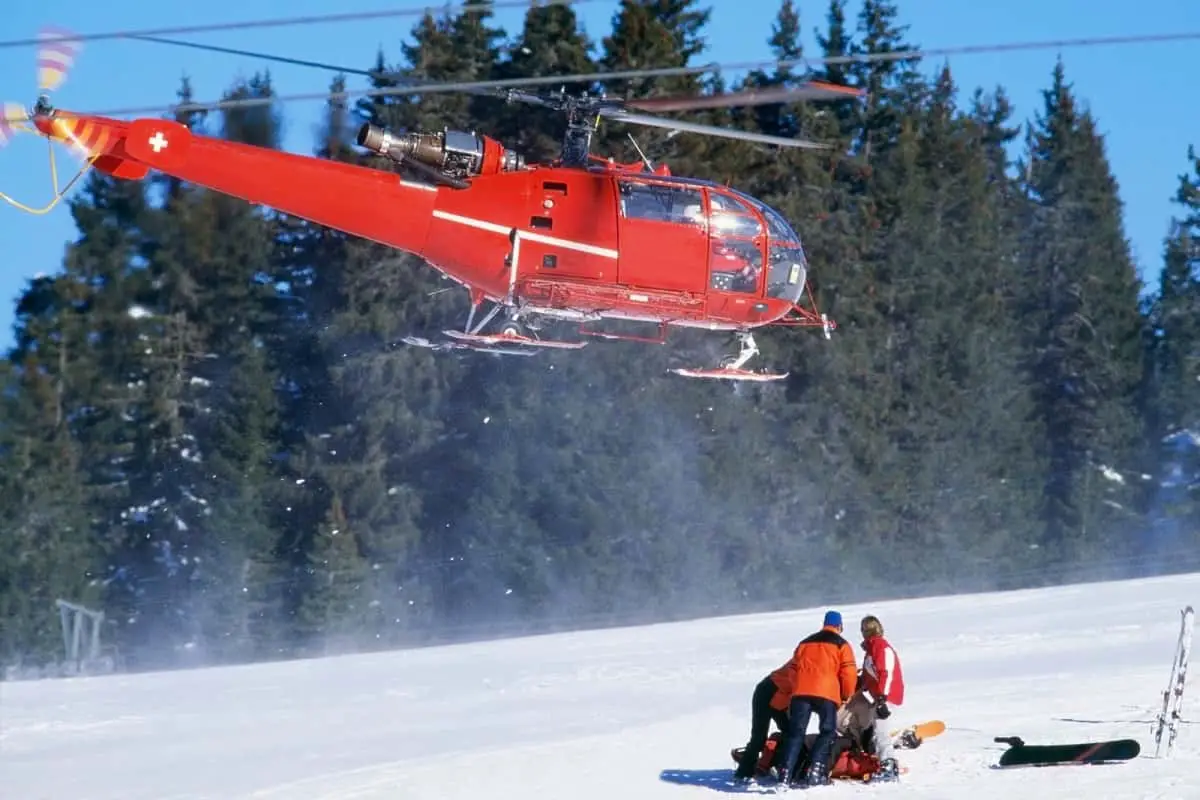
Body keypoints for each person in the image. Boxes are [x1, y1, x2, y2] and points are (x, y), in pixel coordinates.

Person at [776, 610, 858, 787]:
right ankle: (815, 771)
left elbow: (792, 670)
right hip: (826, 693)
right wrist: (846, 695)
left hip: (801, 693)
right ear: (839, 626)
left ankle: (785, 775)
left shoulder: (804, 643)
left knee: (795, 734)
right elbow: (849, 673)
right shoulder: (842, 644)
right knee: (827, 732)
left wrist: (797, 686)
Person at [837, 614, 905, 782]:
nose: (863, 632)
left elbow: (886, 673)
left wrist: (882, 699)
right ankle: (879, 757)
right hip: (878, 697)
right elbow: (869, 677)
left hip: (887, 697)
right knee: (875, 730)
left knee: (881, 732)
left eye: (864, 628)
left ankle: (889, 766)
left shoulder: (882, 647)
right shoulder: (871, 650)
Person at [733, 657, 794, 780]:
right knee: (759, 738)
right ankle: (743, 772)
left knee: (792, 735)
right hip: (767, 692)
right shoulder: (807, 658)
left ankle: (771, 762)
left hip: (781, 699)